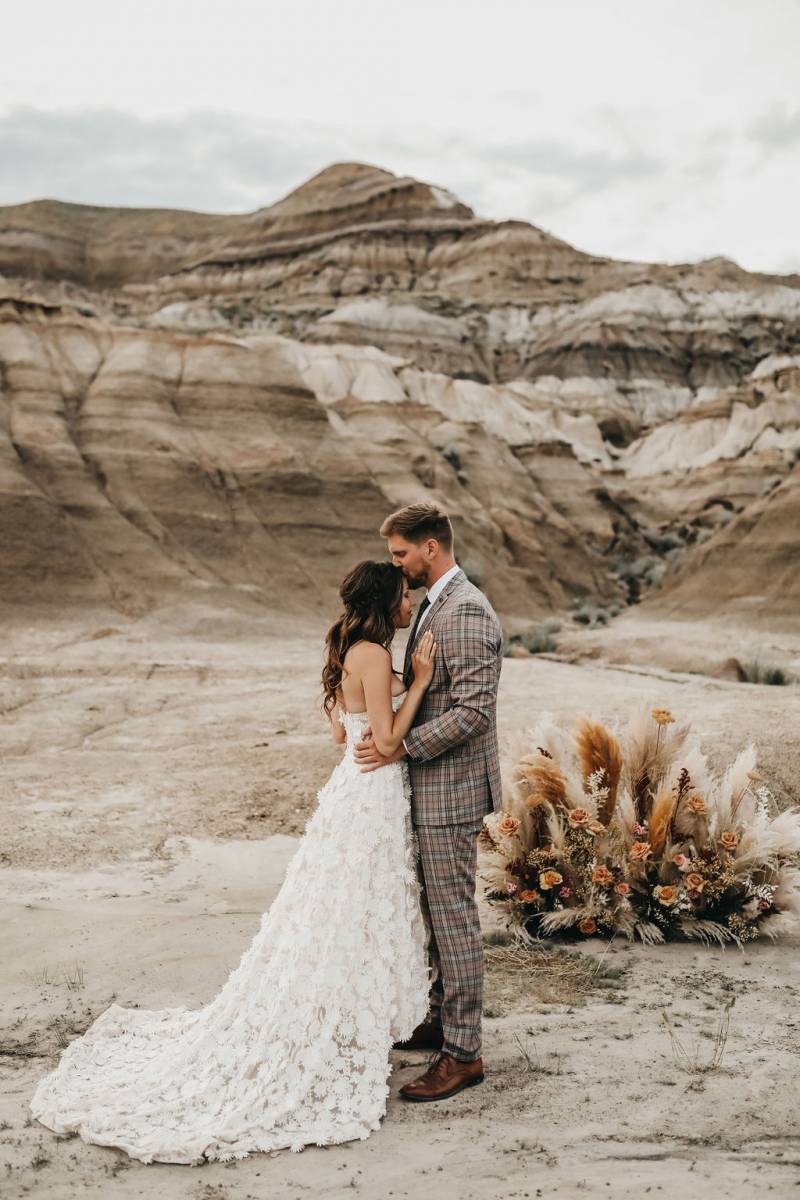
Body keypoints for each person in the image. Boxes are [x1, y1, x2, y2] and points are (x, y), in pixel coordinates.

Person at [29, 561, 438, 1163]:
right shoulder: (375, 654)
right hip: (370, 797)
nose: (412, 603)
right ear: (387, 600)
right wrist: (422, 681)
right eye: (406, 595)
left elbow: (340, 735)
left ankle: (349, 1016)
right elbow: (384, 740)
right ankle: (340, 1025)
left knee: (342, 912)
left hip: (354, 792)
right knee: (354, 909)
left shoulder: (353, 648)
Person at [356, 502, 503, 1102]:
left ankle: (463, 1054)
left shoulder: (465, 610)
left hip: (451, 788)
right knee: (436, 915)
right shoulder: (438, 603)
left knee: (454, 918)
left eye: (400, 554)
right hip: (431, 786)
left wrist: (401, 748)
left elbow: (472, 711)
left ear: (431, 549)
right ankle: (442, 1019)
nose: (397, 566)